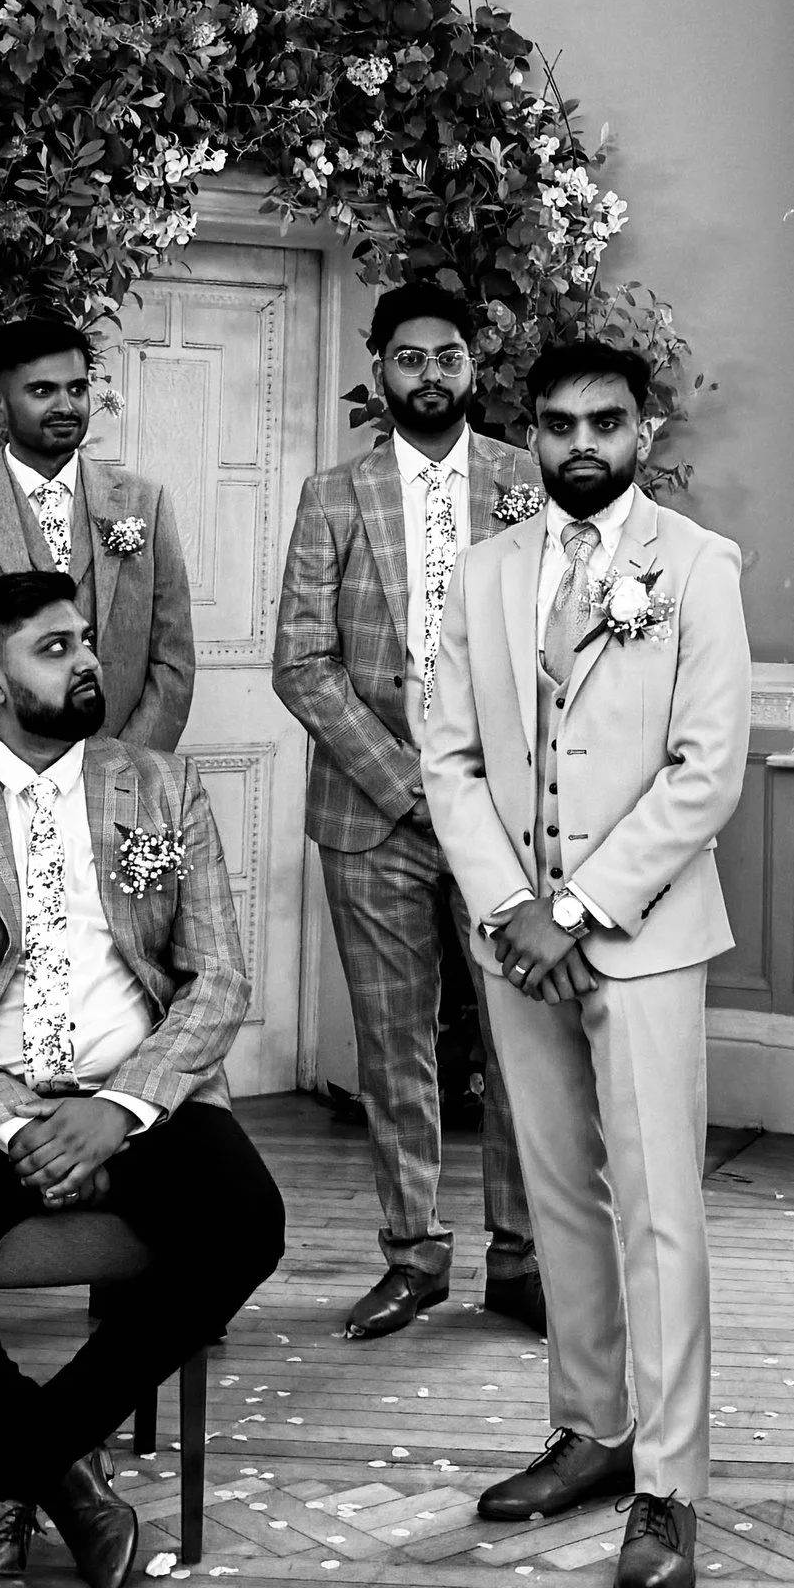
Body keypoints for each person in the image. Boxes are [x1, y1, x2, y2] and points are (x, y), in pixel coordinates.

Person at [0, 568, 285, 1588]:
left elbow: (217, 979)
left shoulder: (161, 790)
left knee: (243, 1227)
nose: (87, 659)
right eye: (55, 647)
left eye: (86, 639)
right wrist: (7, 1119)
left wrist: (121, 1109)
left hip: (137, 1097)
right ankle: (65, 1479)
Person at [420, 334, 750, 1588]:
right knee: (559, 1192)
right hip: (516, 936)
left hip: (644, 932)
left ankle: (667, 1485)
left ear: (642, 433)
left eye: (603, 424)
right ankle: (590, 1429)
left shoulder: (698, 569)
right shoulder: (487, 573)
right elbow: (446, 756)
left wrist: (576, 908)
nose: (579, 447)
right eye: (555, 425)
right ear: (532, 433)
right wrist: (511, 908)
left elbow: (704, 771)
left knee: (660, 1207)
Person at [271, 279, 544, 1341]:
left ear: (474, 364)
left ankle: (521, 1260)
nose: (429, 375)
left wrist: (482, 788)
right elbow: (302, 662)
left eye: (449, 356)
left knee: (520, 1043)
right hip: (371, 815)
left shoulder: (529, 483)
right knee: (396, 1047)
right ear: (377, 367)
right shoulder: (333, 495)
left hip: (510, 821)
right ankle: (412, 1254)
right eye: (408, 357)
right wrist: (408, 785)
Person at [0, 311, 194, 759]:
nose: (66, 405)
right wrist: (12, 775)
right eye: (42, 390)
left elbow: (172, 662)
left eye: (77, 388)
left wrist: (122, 768)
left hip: (121, 776)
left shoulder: (143, 504)